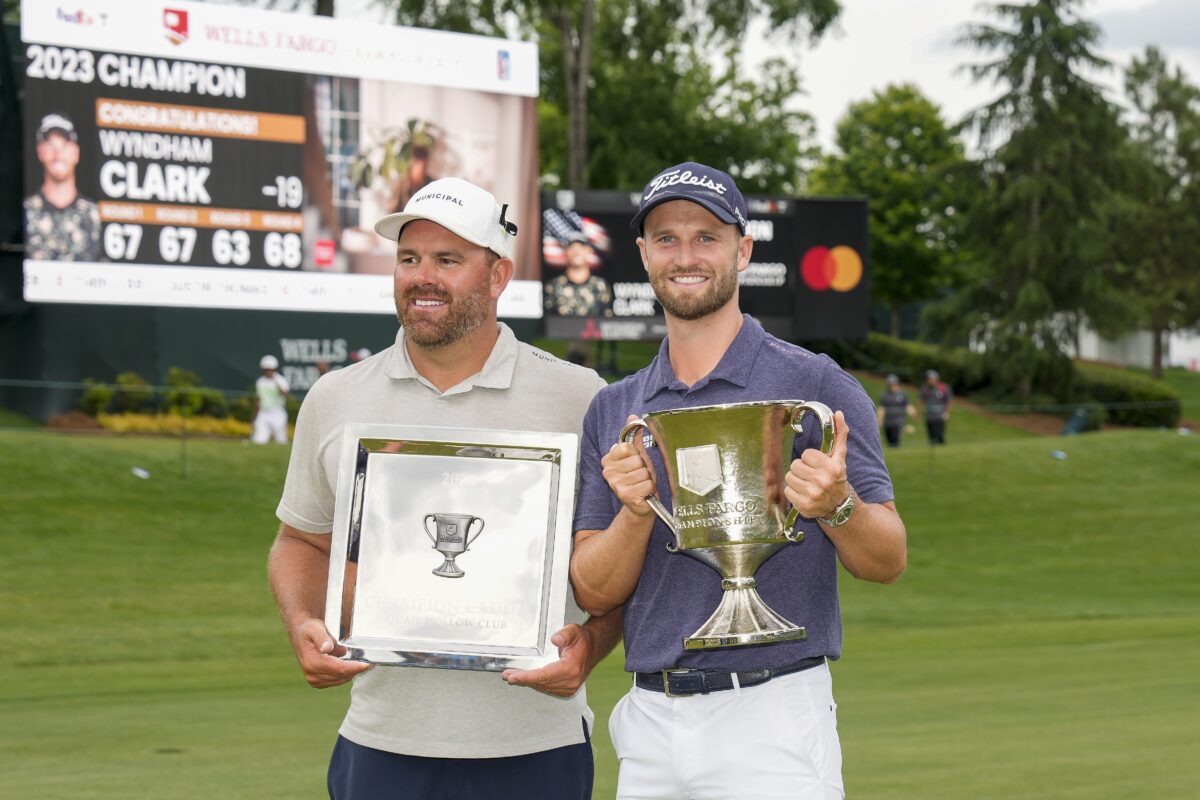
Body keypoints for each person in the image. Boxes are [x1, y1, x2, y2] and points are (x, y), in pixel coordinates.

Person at [267, 177, 622, 799]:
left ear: (498, 275)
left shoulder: (580, 398)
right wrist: (302, 620)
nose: (421, 276)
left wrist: (590, 646)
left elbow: (623, 561)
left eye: (448, 260)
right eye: (409, 258)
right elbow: (300, 541)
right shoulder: (336, 398)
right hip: (382, 745)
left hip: (536, 747)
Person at [569, 162, 907, 799]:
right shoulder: (615, 410)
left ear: (743, 249)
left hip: (773, 713)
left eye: (707, 236)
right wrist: (635, 512)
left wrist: (838, 506)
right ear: (642, 254)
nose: (685, 255)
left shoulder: (819, 386)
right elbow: (593, 590)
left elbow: (887, 559)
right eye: (666, 238)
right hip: (650, 720)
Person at [24, 112, 101, 261]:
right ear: (40, 151)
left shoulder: (94, 215)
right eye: (50, 145)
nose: (58, 154)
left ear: (76, 152)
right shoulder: (27, 212)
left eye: (64, 145)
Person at [544, 231, 613, 317]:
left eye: (581, 247)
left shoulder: (601, 286)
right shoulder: (553, 287)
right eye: (572, 247)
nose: (576, 252)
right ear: (565, 251)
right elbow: (548, 322)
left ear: (589, 250)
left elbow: (608, 321)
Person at [252, 355, 290, 445]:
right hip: (263, 413)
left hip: (278, 413)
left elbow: (284, 394)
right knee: (259, 441)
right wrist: (254, 418)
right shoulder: (260, 381)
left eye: (270, 369)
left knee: (281, 441)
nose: (268, 371)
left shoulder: (281, 380)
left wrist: (276, 381)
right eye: (266, 369)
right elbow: (258, 400)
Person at [877, 373, 917, 448]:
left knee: (896, 441)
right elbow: (881, 409)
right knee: (890, 441)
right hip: (888, 422)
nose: (892, 386)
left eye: (893, 384)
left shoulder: (902, 395)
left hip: (898, 422)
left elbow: (907, 406)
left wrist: (914, 414)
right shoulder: (884, 395)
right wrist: (879, 420)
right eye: (890, 384)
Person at [920, 369, 953, 445]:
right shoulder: (925, 389)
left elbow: (949, 401)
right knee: (931, 436)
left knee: (939, 435)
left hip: (940, 415)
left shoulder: (943, 387)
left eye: (931, 378)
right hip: (929, 415)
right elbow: (921, 401)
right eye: (928, 378)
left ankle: (941, 448)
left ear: (936, 379)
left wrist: (947, 413)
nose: (929, 380)